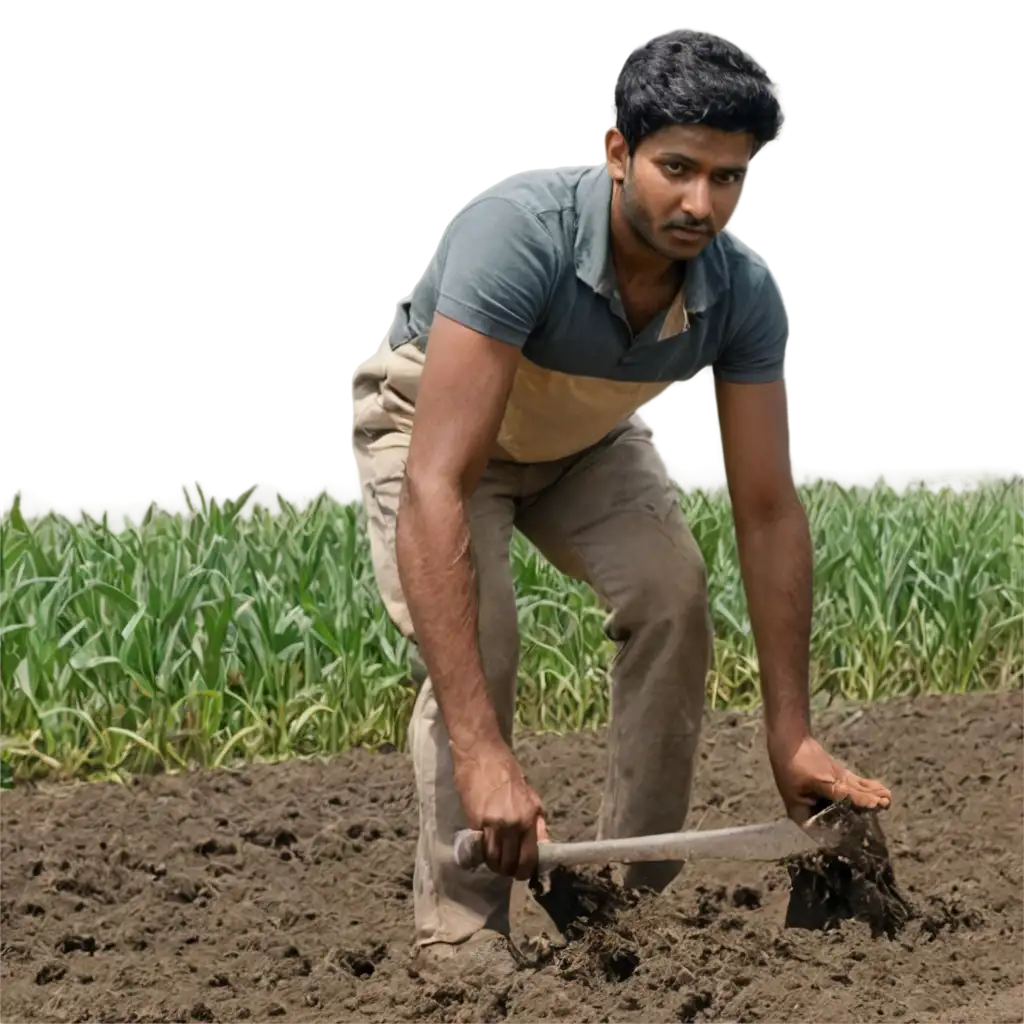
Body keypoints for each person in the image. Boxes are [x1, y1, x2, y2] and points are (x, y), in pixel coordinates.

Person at [347, 27, 892, 973]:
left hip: (580, 444)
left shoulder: (741, 293)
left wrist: (791, 733)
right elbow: (438, 481)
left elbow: (766, 511)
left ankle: (626, 900)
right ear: (616, 153)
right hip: (430, 433)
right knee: (484, 638)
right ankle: (464, 926)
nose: (700, 202)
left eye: (726, 177)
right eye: (677, 167)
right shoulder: (517, 234)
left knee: (673, 596)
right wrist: (485, 755)